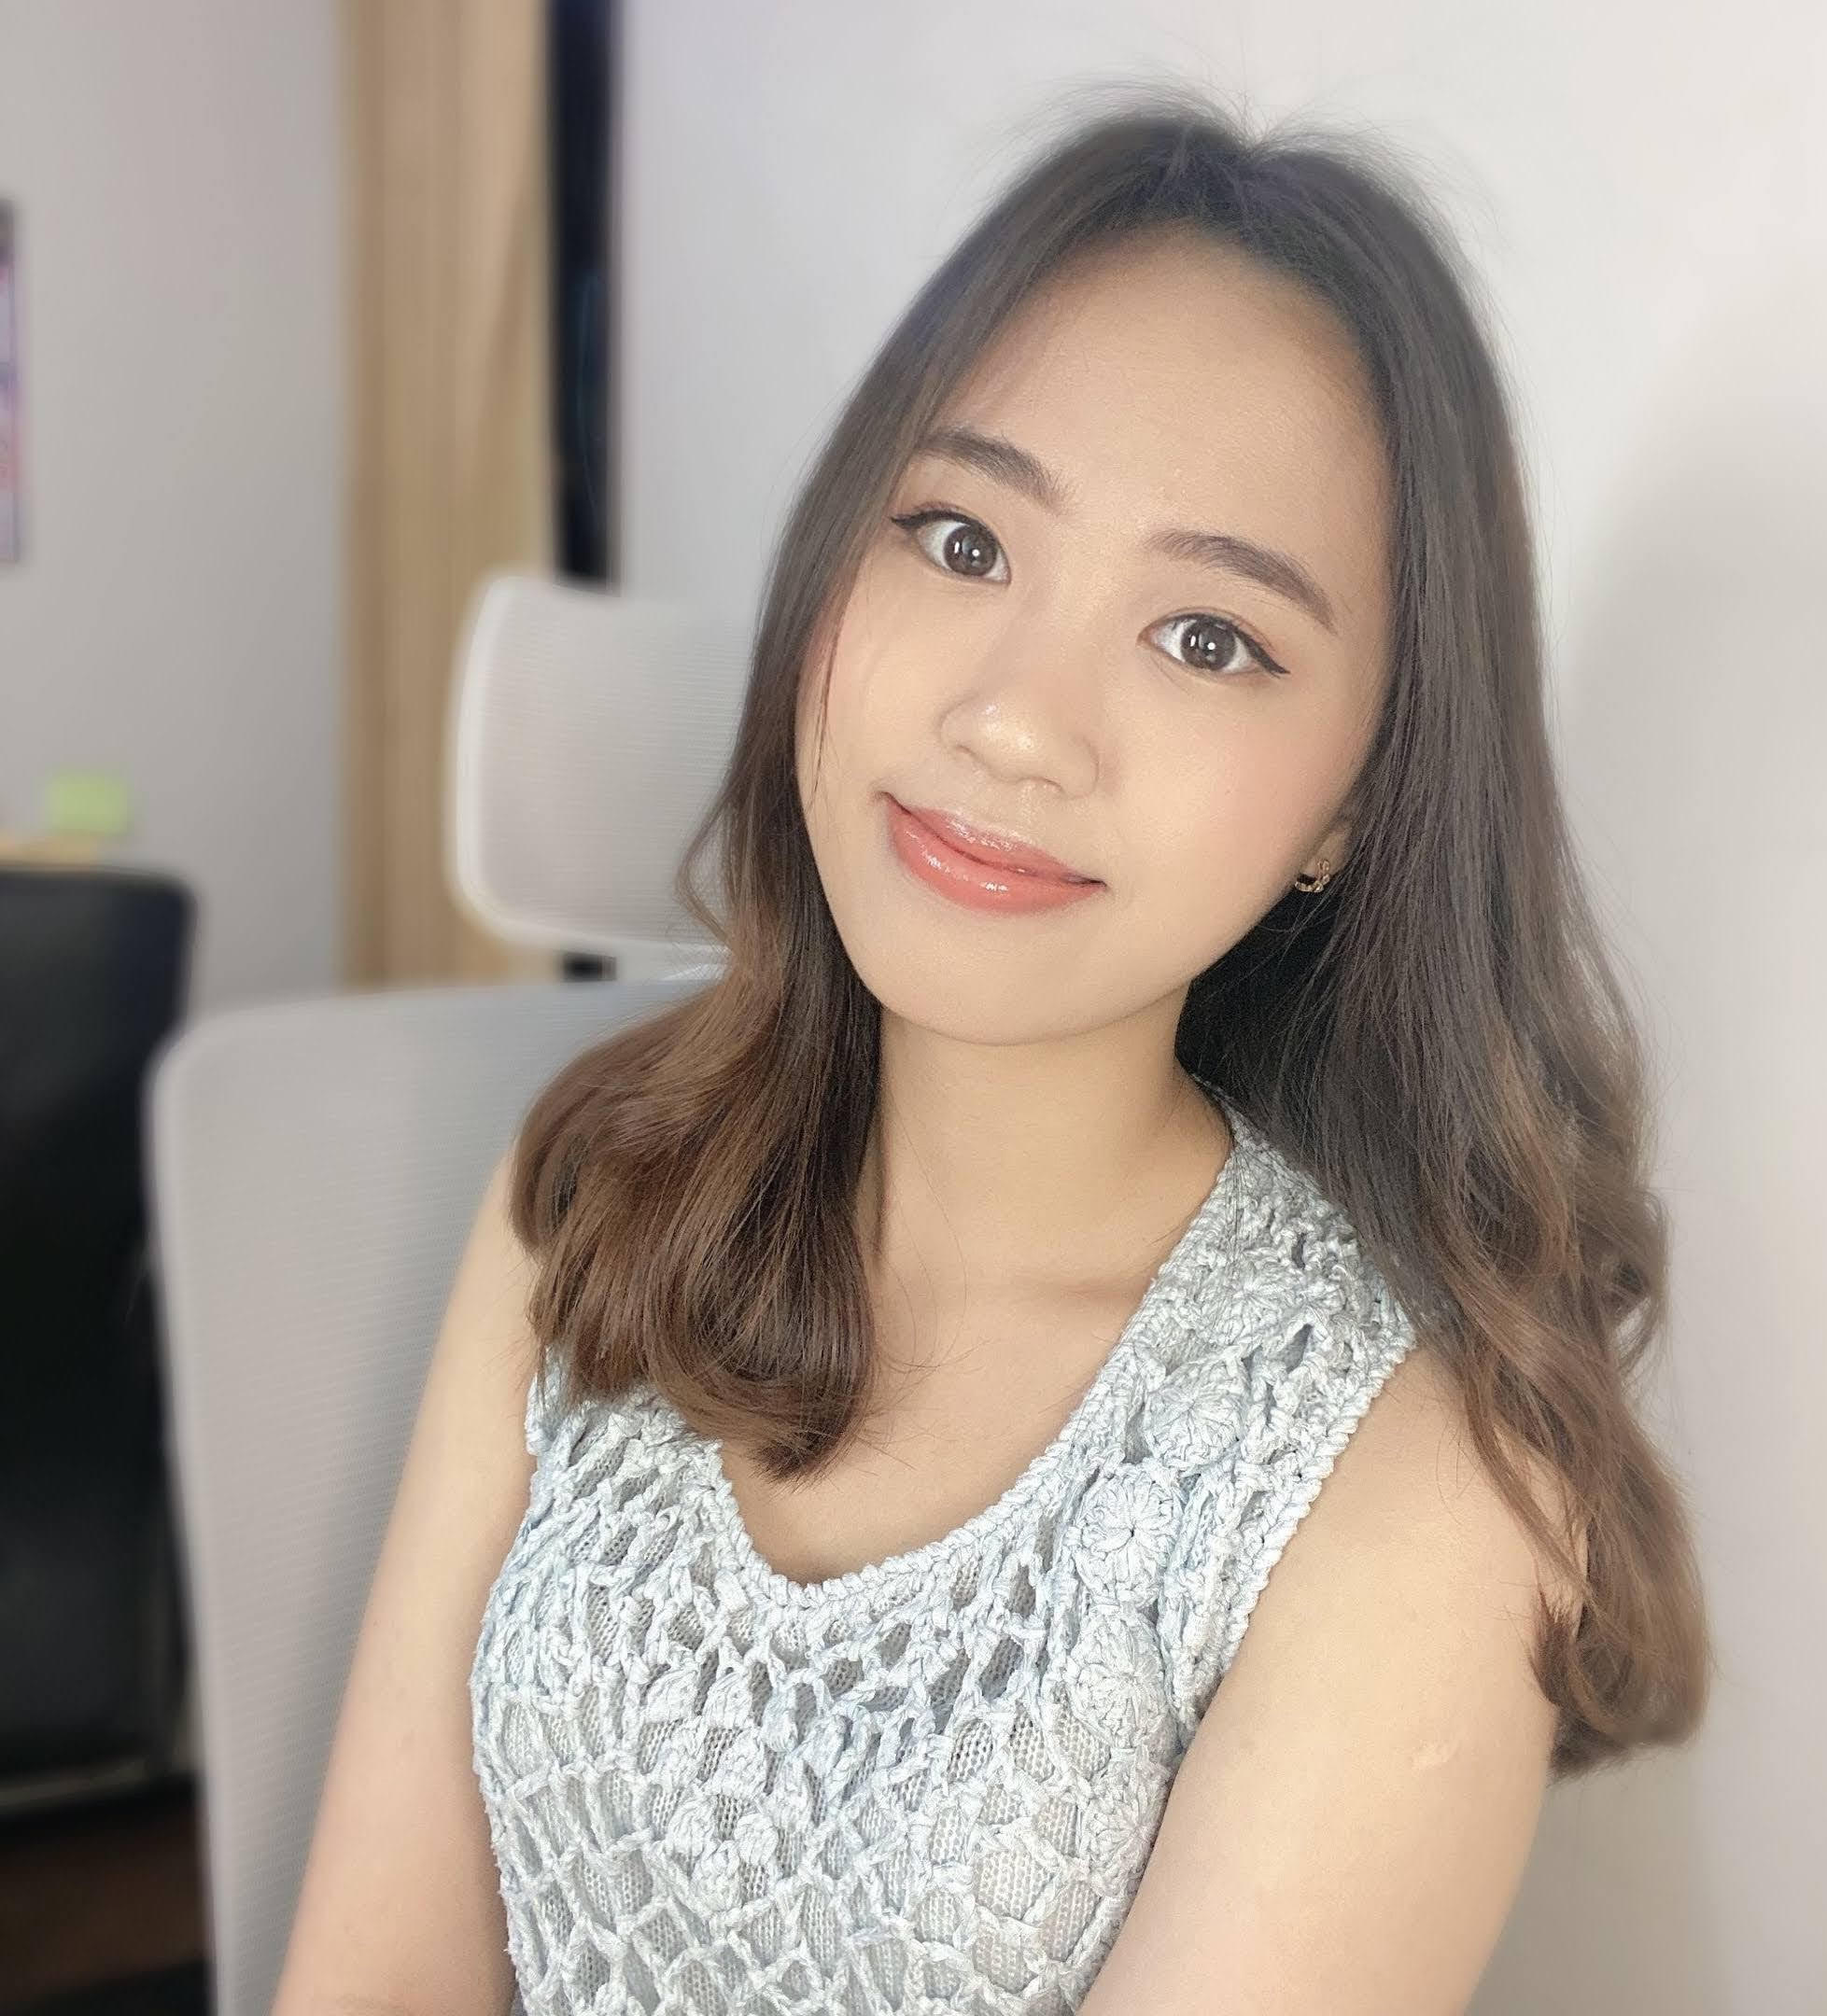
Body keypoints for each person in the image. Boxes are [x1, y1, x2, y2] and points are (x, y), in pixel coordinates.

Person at [274, 80, 1711, 2016]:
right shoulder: (597, 1186)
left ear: (1355, 805)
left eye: (1209, 638)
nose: (1018, 719)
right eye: (959, 539)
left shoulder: (1411, 1477)